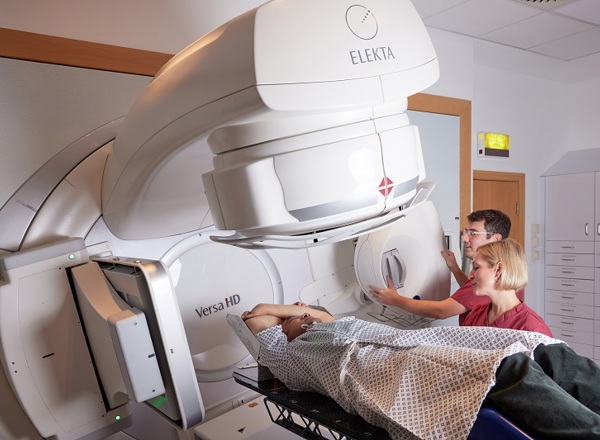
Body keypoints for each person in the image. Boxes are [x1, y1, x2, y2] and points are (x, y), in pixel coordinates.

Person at [241, 304, 600, 439]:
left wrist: (303, 313)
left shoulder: (335, 324)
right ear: (281, 333)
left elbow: (320, 313)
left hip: (410, 341)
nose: (302, 317)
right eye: (292, 319)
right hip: (383, 369)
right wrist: (284, 311)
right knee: (508, 367)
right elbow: (258, 315)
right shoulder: (289, 359)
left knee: (542, 348)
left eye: (306, 313)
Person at [369, 209, 521, 324]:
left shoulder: (490, 271)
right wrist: (455, 268)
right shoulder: (498, 265)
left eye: (473, 233)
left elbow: (442, 311)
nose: (464, 238)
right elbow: (473, 294)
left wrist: (395, 299)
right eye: (466, 232)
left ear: (496, 238)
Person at [465, 238, 552, 336]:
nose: (470, 275)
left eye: (476, 267)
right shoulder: (475, 316)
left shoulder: (532, 328)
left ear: (498, 270)